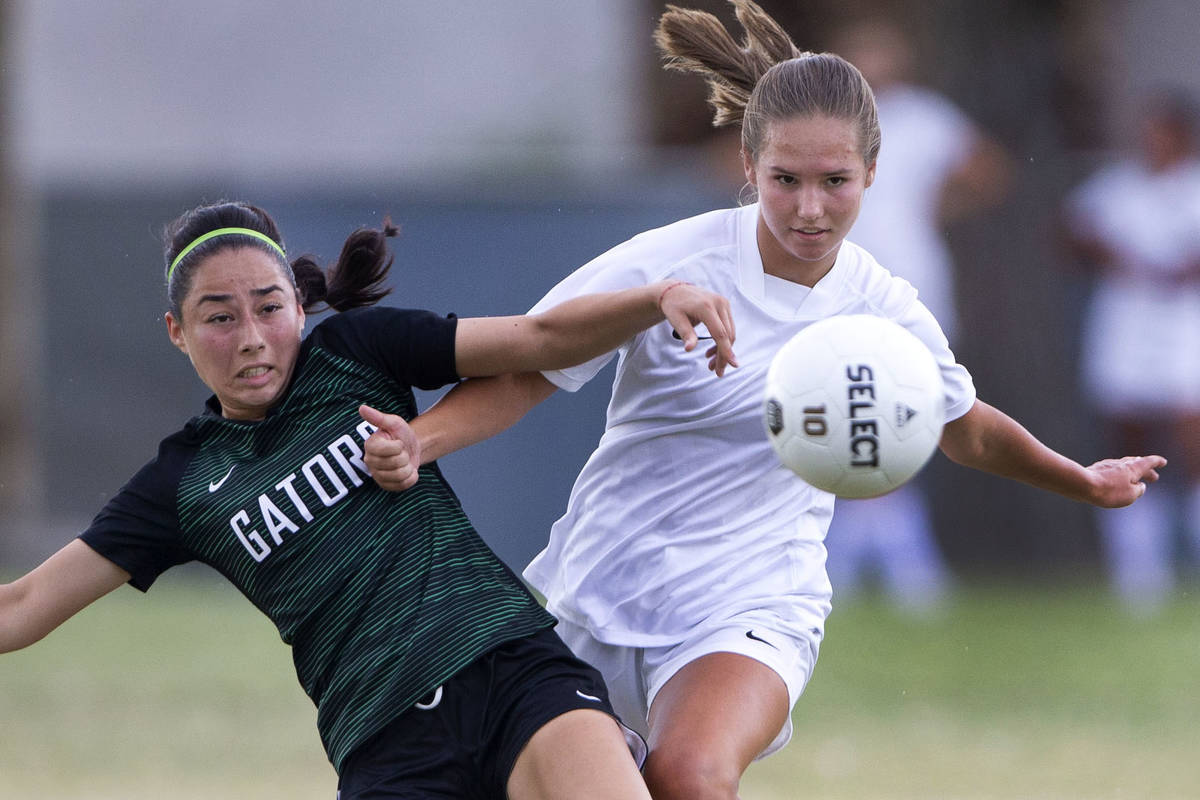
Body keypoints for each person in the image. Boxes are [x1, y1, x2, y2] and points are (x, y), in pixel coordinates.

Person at [364, 3, 1165, 797]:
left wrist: (1082, 479)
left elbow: (966, 430)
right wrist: (422, 442)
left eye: (835, 181)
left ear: (872, 174)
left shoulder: (882, 306)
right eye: (786, 180)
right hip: (602, 589)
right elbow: (532, 366)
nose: (810, 209)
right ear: (748, 164)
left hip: (753, 599)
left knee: (690, 774)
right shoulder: (672, 261)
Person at [0, 200, 739, 800]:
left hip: (510, 666)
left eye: (268, 307)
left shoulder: (355, 353)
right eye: (220, 318)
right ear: (177, 333)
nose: (252, 338)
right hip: (386, 742)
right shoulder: (184, 481)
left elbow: (540, 339)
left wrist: (656, 298)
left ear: (298, 301)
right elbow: (24, 605)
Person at [822, 18, 1012, 613]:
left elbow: (988, 171)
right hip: (832, 285)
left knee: (902, 415)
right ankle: (880, 568)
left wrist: (937, 207)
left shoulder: (926, 118)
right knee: (841, 415)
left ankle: (890, 567)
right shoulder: (826, 120)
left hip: (910, 284)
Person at [1062, 89, 1200, 614]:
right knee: (1129, 437)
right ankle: (1140, 572)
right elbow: (1072, 231)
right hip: (1125, 324)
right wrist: (1107, 252)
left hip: (1186, 326)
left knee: (1191, 442)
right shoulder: (1116, 188)